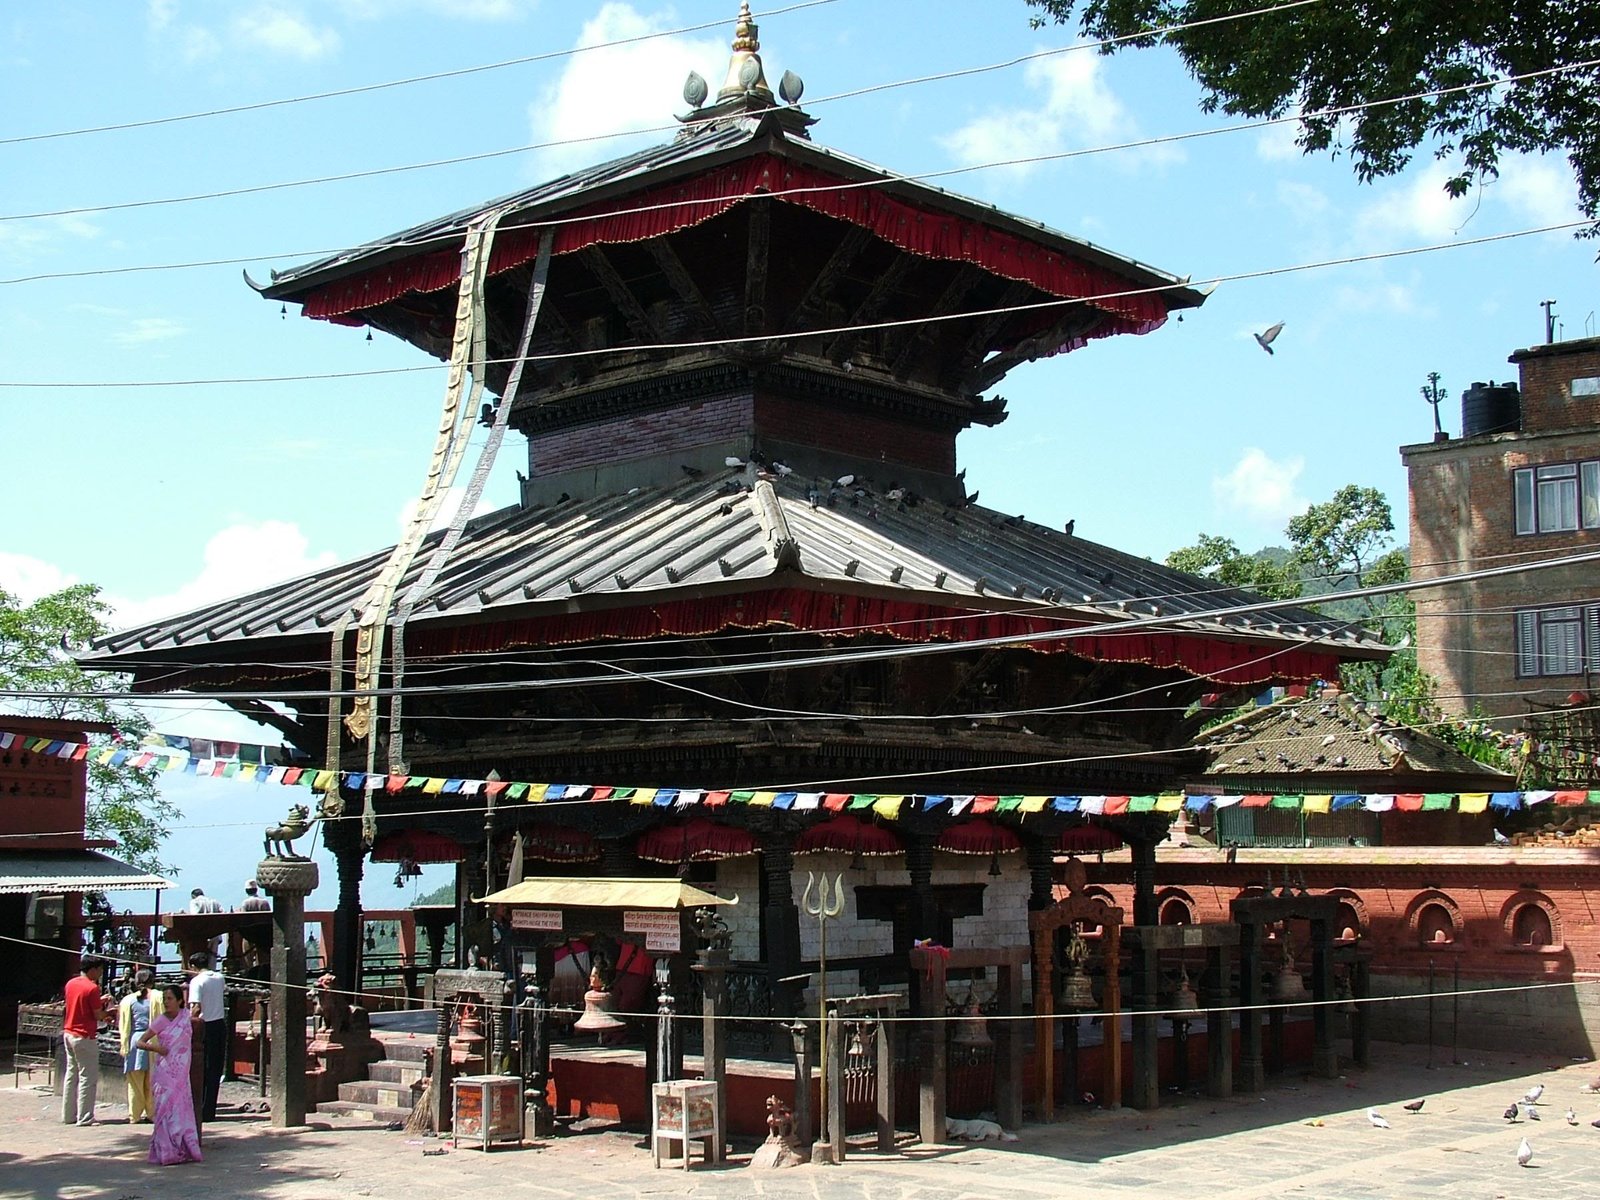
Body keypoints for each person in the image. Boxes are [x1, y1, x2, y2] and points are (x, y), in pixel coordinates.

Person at [137, 985, 202, 1164]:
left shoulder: (186, 1017)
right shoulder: (161, 1021)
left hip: (182, 1073)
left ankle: (183, 1148)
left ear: (180, 1001)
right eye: (164, 999)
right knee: (165, 1111)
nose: (166, 1002)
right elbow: (140, 1042)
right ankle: (166, 1151)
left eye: (170, 998)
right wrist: (157, 1048)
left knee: (182, 1110)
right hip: (165, 1072)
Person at [61, 955, 114, 1126]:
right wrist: (110, 1012)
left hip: (69, 1032)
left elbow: (80, 1003)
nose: (100, 973)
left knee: (71, 1075)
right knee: (87, 1077)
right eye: (99, 970)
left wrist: (100, 1002)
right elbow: (98, 1015)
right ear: (93, 969)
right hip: (84, 1036)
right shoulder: (92, 988)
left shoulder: (71, 983)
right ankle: (85, 1117)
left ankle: (68, 1115)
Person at [185, 951, 226, 1122]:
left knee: (201, 1068)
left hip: (203, 1025)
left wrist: (185, 1023)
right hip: (219, 1023)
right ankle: (210, 1109)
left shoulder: (196, 981)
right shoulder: (219, 977)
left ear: (193, 966)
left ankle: (199, 1107)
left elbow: (196, 1008)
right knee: (215, 1068)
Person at [118, 968, 156, 1123]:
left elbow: (122, 1023)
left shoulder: (128, 1000)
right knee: (152, 1081)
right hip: (153, 1040)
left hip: (134, 1040)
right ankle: (152, 1113)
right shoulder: (158, 998)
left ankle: (135, 1115)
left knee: (134, 1082)